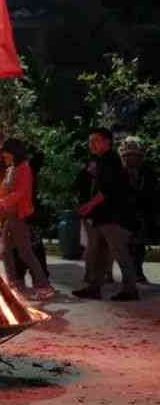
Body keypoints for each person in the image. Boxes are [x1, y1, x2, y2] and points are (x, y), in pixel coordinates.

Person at [74, 127, 140, 301]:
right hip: (102, 215)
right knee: (97, 253)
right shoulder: (101, 160)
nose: (91, 144)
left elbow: (106, 190)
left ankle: (130, 289)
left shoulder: (111, 160)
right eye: (90, 141)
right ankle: (94, 287)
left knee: (119, 253)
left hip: (112, 216)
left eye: (95, 140)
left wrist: (88, 206)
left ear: (107, 142)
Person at [0, 139, 56, 300]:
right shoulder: (10, 169)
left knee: (25, 252)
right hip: (10, 216)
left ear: (13, 152)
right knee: (5, 250)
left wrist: (2, 202)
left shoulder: (24, 169)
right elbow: (4, 189)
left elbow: (21, 192)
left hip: (18, 217)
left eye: (5, 152)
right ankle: (13, 282)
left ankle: (44, 286)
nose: (3, 155)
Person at [120, 137, 155, 284]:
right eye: (128, 155)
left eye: (134, 155)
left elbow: (151, 191)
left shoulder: (147, 171)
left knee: (139, 244)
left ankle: (138, 271)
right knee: (124, 246)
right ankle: (127, 274)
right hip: (124, 213)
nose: (131, 158)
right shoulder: (119, 172)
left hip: (141, 212)